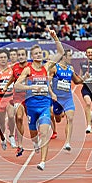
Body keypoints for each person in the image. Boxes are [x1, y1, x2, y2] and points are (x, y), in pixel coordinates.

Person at [15, 28, 64, 170]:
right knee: (33, 133)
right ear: (32, 56)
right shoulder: (28, 70)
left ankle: (42, 161)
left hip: (44, 104)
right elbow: (17, 85)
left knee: (44, 132)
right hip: (31, 105)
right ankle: (35, 144)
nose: (38, 55)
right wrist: (31, 88)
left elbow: (60, 53)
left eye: (40, 53)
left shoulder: (46, 66)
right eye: (35, 53)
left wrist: (55, 37)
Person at [49, 49, 84, 151]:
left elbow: (76, 81)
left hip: (68, 98)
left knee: (70, 118)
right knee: (58, 119)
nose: (71, 58)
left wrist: (84, 79)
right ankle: (60, 114)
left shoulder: (70, 68)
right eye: (69, 56)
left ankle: (67, 142)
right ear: (64, 57)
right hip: (57, 99)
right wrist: (52, 94)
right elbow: (47, 83)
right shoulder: (55, 68)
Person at [3, 48, 31, 157]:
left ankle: (37, 133)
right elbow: (12, 78)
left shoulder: (31, 67)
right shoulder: (15, 67)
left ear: (26, 55)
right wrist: (6, 86)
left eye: (22, 54)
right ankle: (20, 145)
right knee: (19, 117)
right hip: (18, 97)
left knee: (32, 119)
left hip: (30, 97)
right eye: (19, 55)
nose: (20, 56)